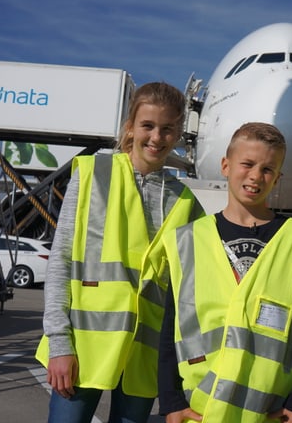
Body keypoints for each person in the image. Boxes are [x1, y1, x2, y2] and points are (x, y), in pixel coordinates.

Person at [35, 82, 204, 423]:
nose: (157, 137)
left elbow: (192, 293)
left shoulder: (186, 204)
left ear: (179, 134)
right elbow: (61, 262)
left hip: (144, 355)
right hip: (84, 350)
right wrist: (59, 343)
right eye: (148, 126)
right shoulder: (92, 175)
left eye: (167, 128)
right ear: (130, 127)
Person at [158, 122, 292, 423]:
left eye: (268, 169)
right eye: (247, 164)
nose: (256, 176)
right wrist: (171, 400)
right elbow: (170, 328)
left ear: (277, 178)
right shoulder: (188, 240)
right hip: (199, 407)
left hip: (269, 409)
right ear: (226, 165)